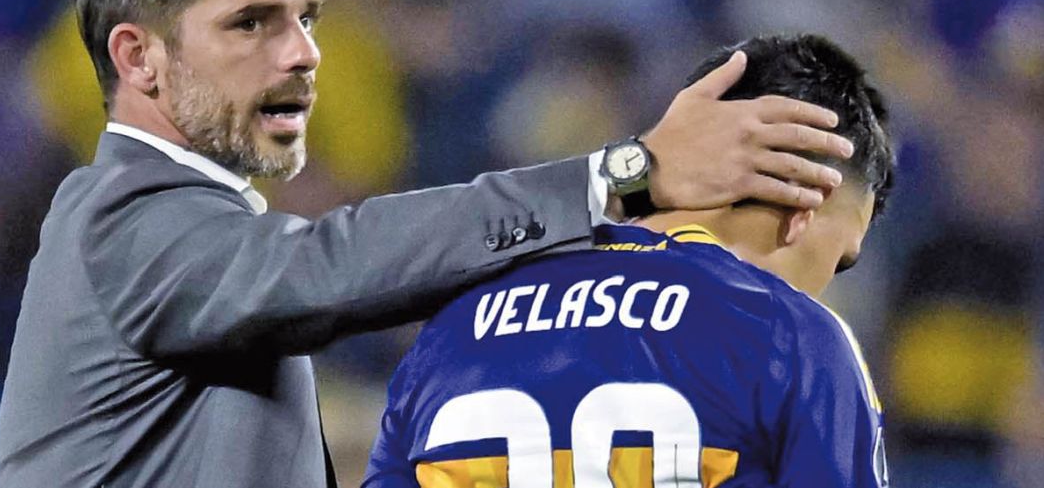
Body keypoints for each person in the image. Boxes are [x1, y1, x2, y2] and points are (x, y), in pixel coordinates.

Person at [0, 0, 854, 488]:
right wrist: (623, 172)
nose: (301, 53)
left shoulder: (201, 244)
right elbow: (330, 263)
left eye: (305, 19)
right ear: (138, 56)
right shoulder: (116, 224)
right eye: (250, 23)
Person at [364, 34, 895, 488]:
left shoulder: (451, 329)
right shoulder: (791, 337)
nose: (823, 286)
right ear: (800, 208)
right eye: (840, 260)